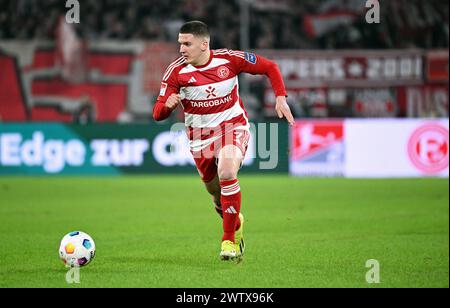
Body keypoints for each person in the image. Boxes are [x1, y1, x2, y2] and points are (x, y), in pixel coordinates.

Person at [153, 21, 294, 261]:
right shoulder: (176, 71)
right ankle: (234, 218)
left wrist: (280, 97)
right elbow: (157, 114)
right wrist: (166, 108)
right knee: (215, 193)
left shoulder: (229, 60)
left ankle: (228, 240)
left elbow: (270, 66)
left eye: (187, 44)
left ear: (204, 44)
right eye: (180, 43)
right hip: (199, 138)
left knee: (227, 171)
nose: (181, 49)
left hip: (233, 127)